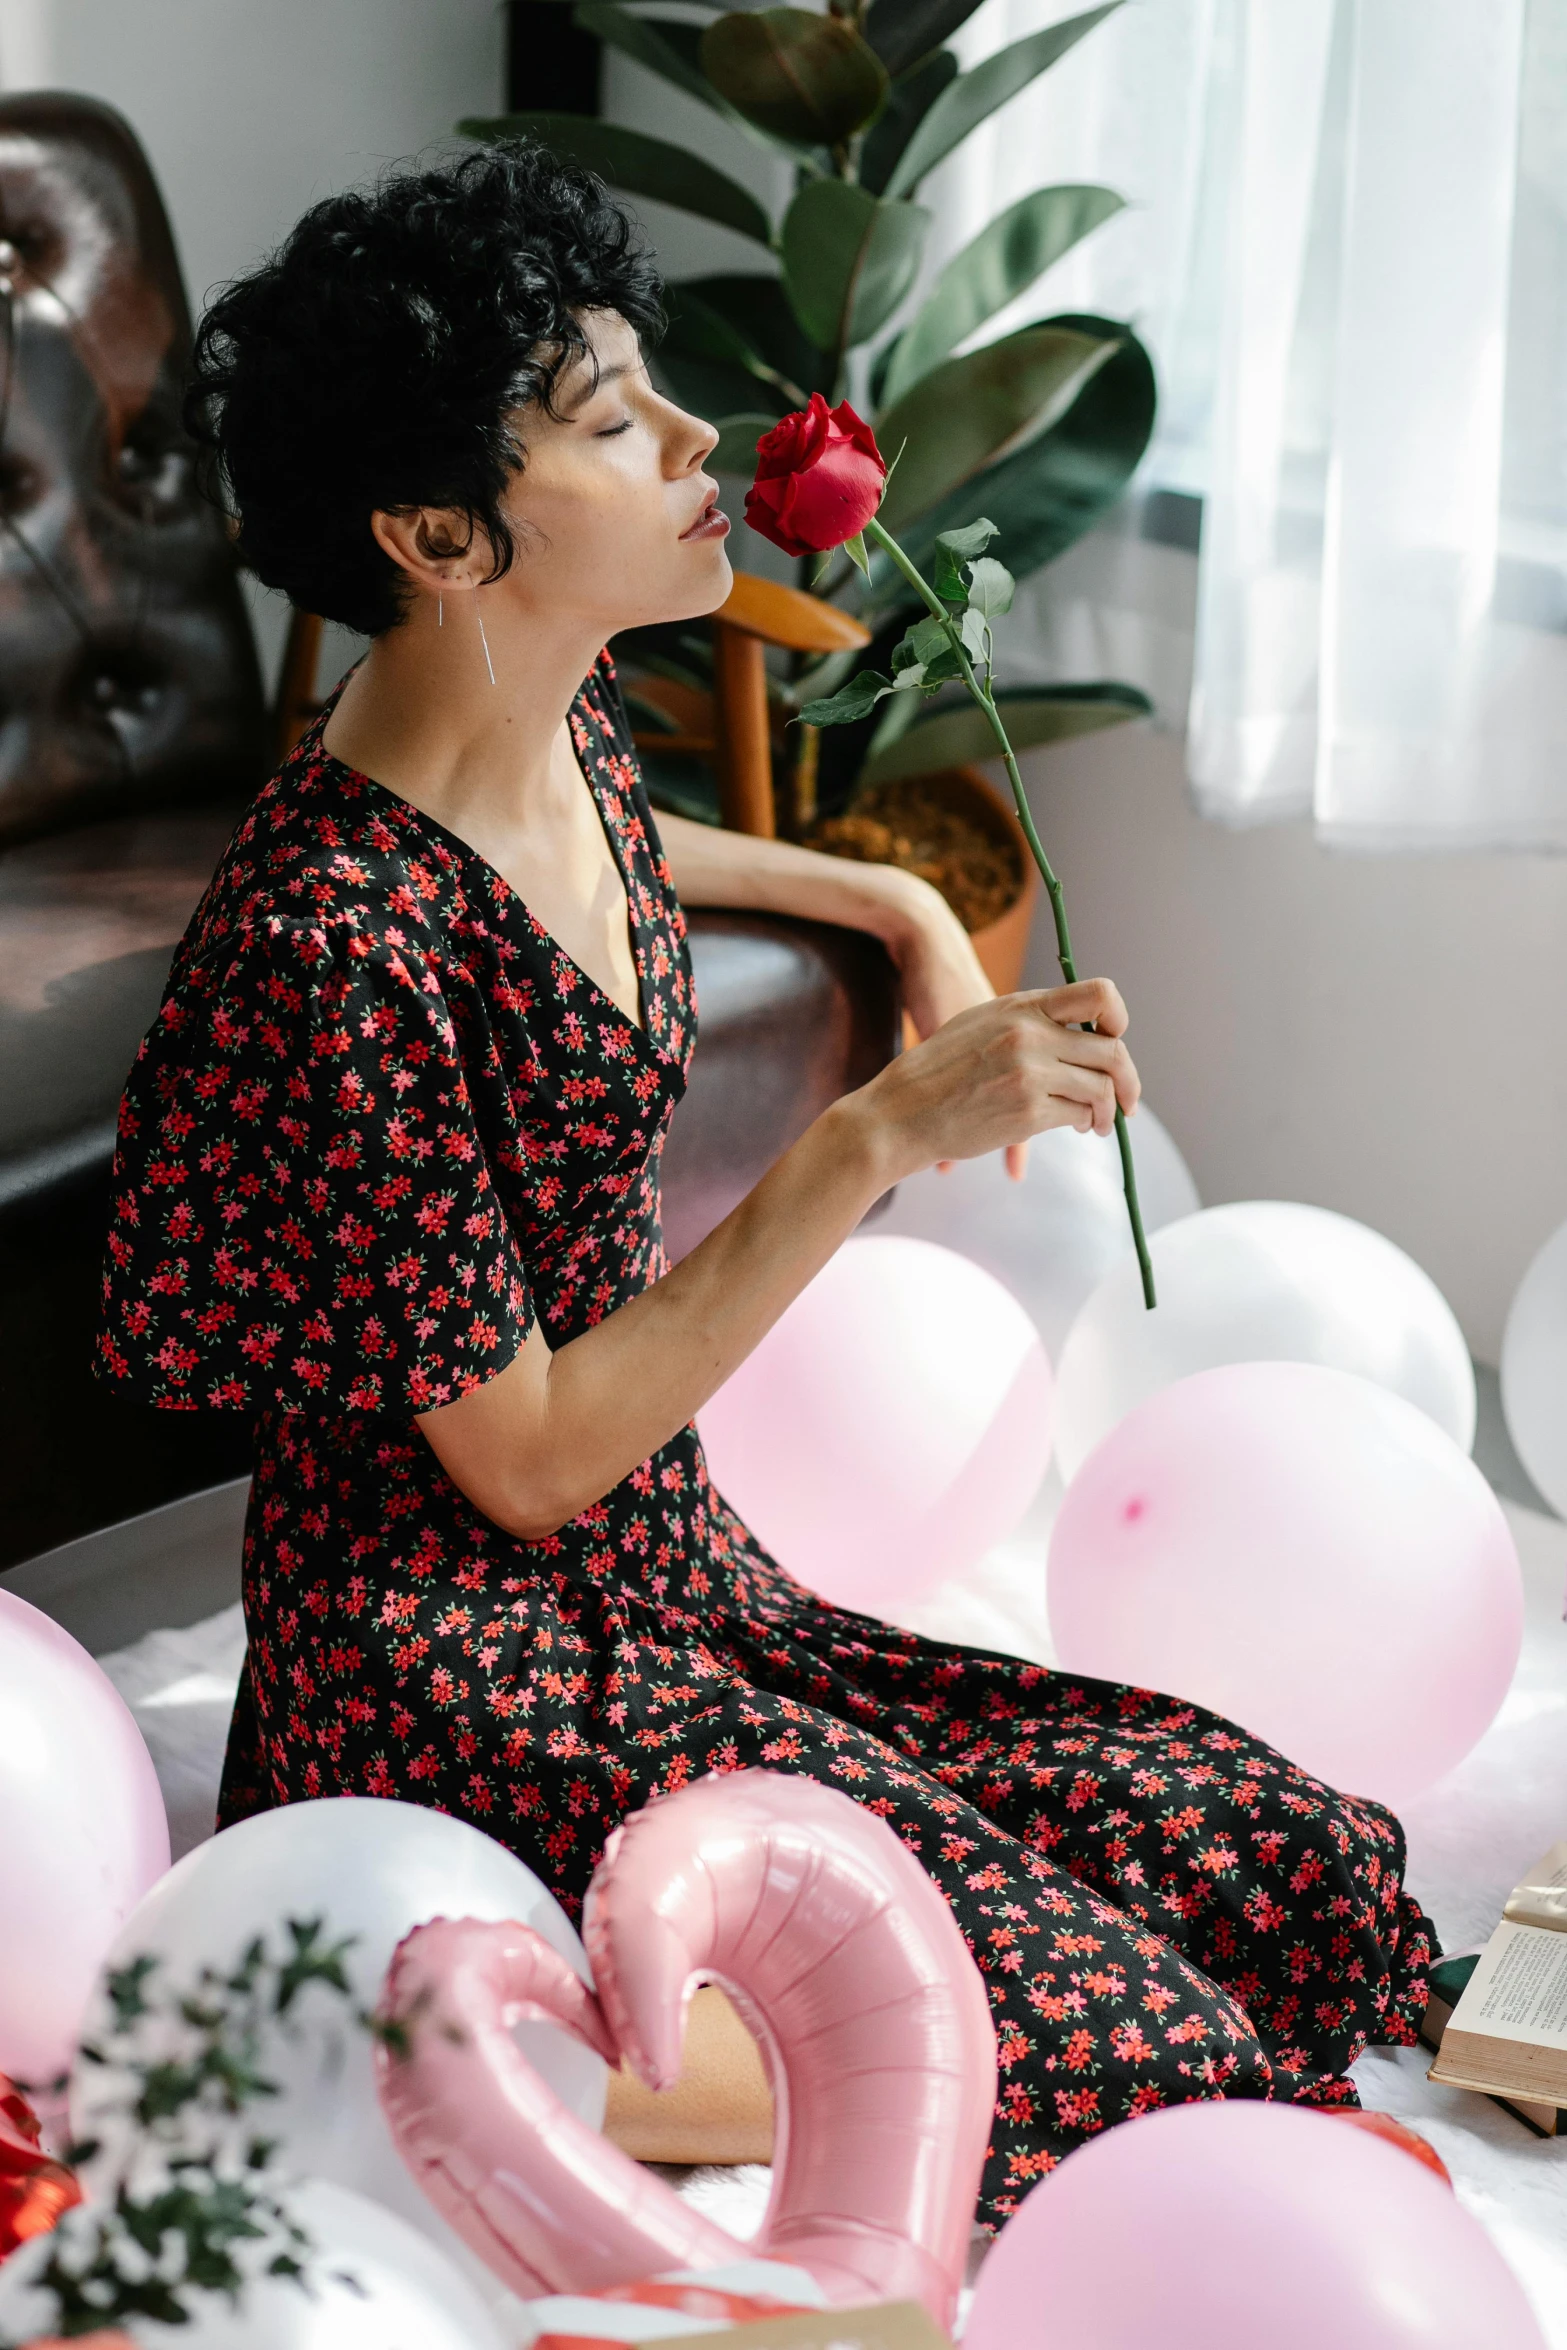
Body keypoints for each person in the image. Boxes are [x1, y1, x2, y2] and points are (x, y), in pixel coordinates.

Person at [97, 144, 1431, 2223]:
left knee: (1272, 1849)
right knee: (1138, 2043)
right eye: (618, 417)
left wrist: (877, 885)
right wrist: (876, 1132)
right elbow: (525, 1464)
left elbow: (626, 855)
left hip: (678, 1583)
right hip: (463, 1662)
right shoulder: (327, 953)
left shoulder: (539, 709)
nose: (699, 435)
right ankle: (423, 2025)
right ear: (441, 533)